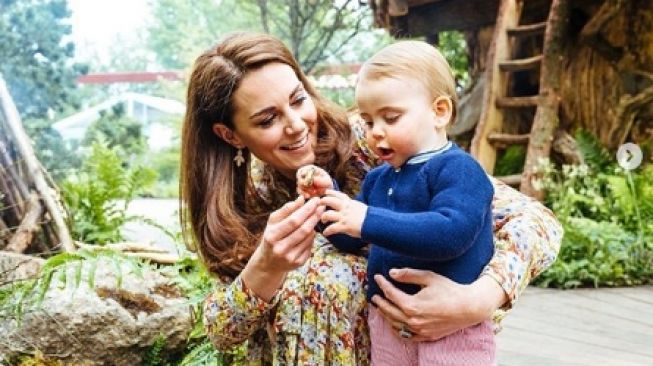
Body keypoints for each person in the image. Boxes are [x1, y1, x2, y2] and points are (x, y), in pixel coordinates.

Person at [180, 32, 563, 365]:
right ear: (230, 135)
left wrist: (478, 300)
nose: (296, 125)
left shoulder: (377, 142)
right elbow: (221, 332)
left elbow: (537, 222)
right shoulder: (241, 207)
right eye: (267, 120)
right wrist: (265, 267)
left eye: (298, 100)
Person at [296, 40, 496, 365]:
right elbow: (350, 237)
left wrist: (366, 219)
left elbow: (452, 233)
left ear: (439, 111)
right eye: (369, 120)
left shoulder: (459, 169)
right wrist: (325, 199)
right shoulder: (379, 179)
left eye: (391, 117)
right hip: (387, 322)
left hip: (451, 328)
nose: (376, 132)